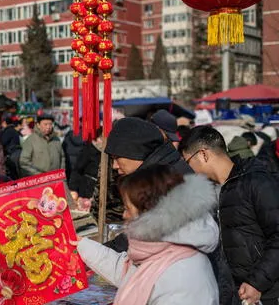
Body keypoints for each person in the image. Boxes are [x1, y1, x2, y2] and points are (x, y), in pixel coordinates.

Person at [78, 165, 219, 305]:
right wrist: (82, 245)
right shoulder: (163, 249)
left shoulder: (182, 278)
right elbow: (128, 272)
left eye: (128, 209)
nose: (124, 215)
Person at [179, 126, 279, 305]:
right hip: (230, 293)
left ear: (203, 154)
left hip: (263, 294)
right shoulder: (210, 191)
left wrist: (257, 283)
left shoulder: (256, 182)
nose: (190, 170)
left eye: (188, 162)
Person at [97, 117, 193, 252]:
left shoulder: (169, 181)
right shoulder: (160, 174)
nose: (114, 166)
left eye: (116, 158)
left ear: (134, 152)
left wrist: (98, 254)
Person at [69, 128, 103, 210]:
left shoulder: (104, 153)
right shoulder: (87, 150)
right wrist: (73, 189)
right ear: (96, 139)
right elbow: (77, 170)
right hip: (86, 189)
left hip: (98, 189)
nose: (104, 142)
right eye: (101, 138)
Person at [0, 114, 22, 179]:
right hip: (18, 152)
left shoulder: (8, 131)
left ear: (4, 123)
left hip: (13, 154)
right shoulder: (14, 130)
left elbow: (2, 142)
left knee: (15, 174)